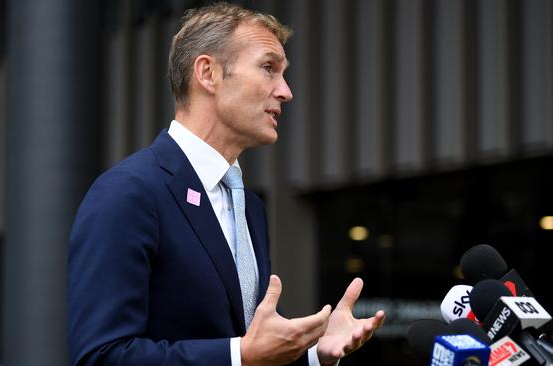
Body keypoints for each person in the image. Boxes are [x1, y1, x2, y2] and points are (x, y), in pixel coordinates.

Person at [68, 2, 385, 365]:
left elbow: (246, 348)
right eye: (269, 68)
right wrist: (240, 354)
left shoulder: (249, 206)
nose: (285, 91)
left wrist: (314, 354)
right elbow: (101, 356)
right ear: (208, 73)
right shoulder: (128, 193)